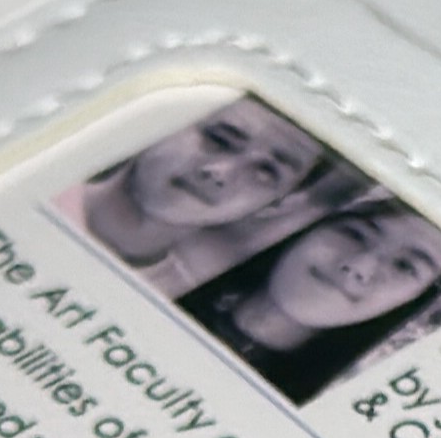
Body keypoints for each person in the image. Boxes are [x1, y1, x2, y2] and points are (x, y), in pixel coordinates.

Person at [181, 197, 441, 404]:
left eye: (405, 266)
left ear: (414, 301)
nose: (358, 266)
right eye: (356, 234)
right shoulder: (172, 270)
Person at [79, 96, 341, 294]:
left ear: (277, 204)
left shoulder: (171, 305)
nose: (220, 171)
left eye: (266, 171)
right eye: (219, 138)